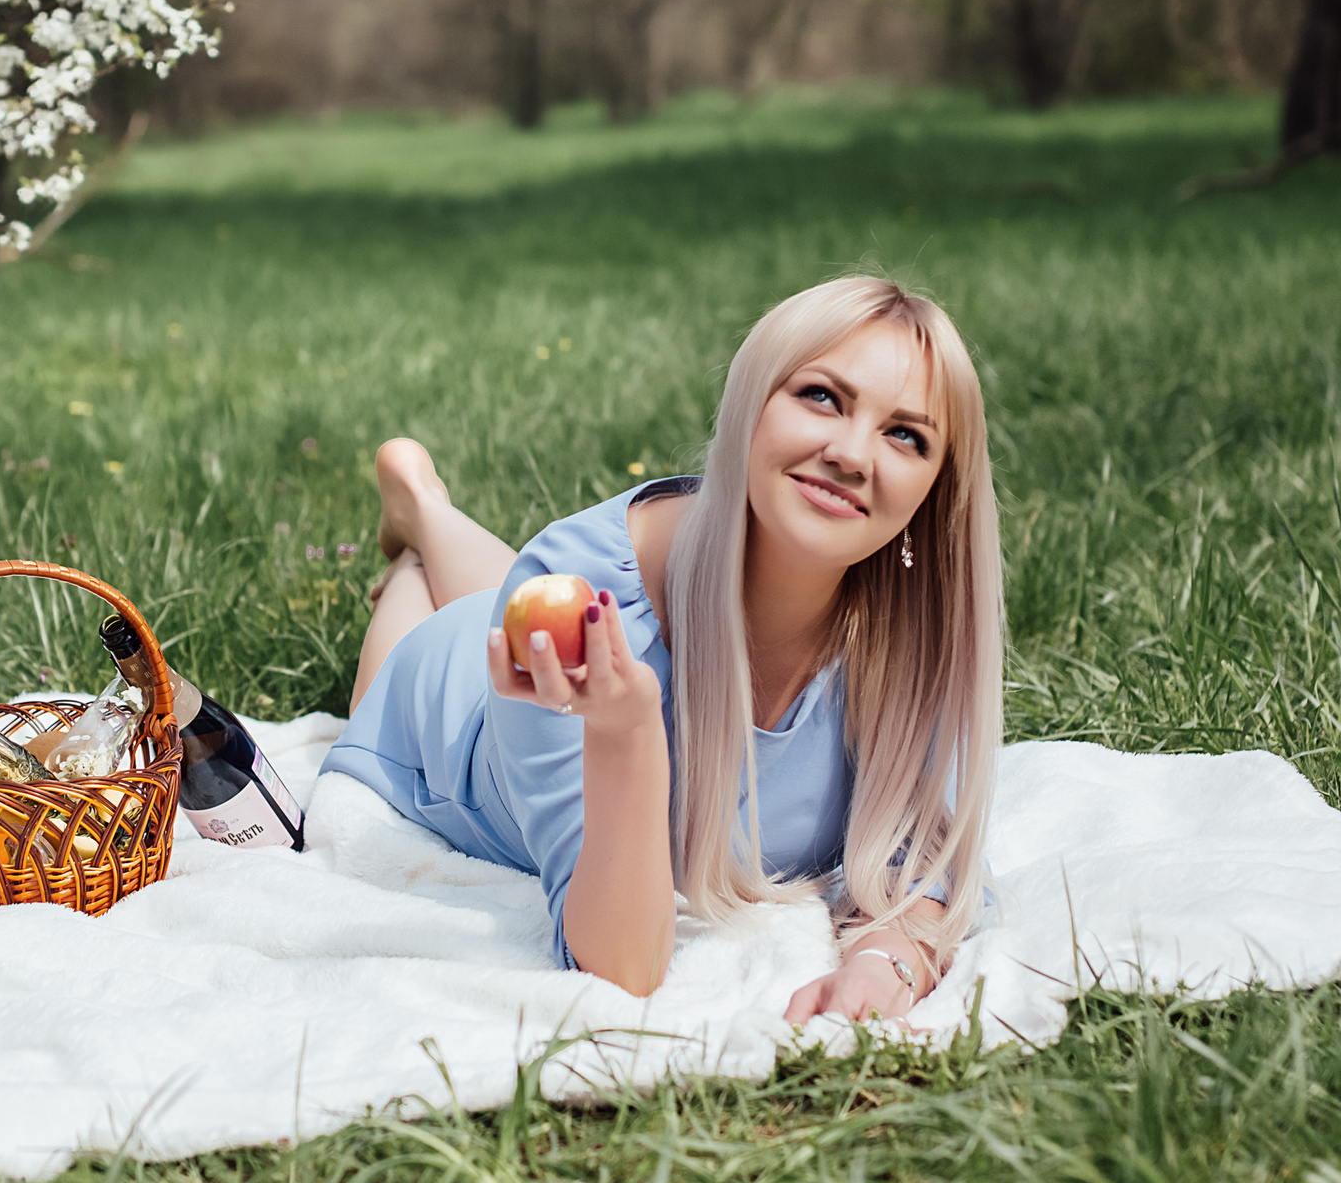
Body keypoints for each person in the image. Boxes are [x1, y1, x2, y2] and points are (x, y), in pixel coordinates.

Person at [322, 275, 1001, 1022]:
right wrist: (628, 730)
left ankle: (425, 512)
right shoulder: (578, 580)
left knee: (520, 602)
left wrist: (883, 964)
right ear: (751, 402)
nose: (851, 453)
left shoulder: (913, 637)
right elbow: (622, 965)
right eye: (821, 396)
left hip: (560, 623)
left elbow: (924, 863)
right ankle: (417, 542)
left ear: (935, 490)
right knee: (445, 637)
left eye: (906, 435)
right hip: (449, 709)